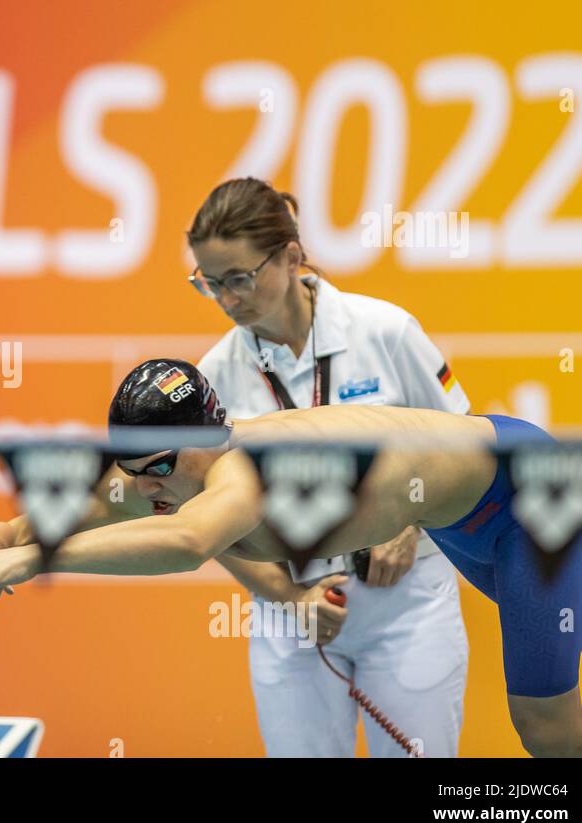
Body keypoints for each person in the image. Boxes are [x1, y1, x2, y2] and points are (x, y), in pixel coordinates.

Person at [0, 360, 582, 757]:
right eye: (134, 469)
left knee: (552, 735)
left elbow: (185, 543)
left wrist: (39, 562)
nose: (148, 486)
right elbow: (54, 518)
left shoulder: (244, 473)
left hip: (519, 490)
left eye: (158, 466)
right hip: (472, 511)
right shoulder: (168, 473)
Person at [187, 177, 468, 757]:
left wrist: (408, 522)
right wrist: (289, 601)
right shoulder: (213, 376)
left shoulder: (386, 332)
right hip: (291, 614)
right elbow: (204, 519)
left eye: (239, 278)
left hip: (406, 605)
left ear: (291, 257)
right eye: (209, 283)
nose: (227, 299)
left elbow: (468, 450)